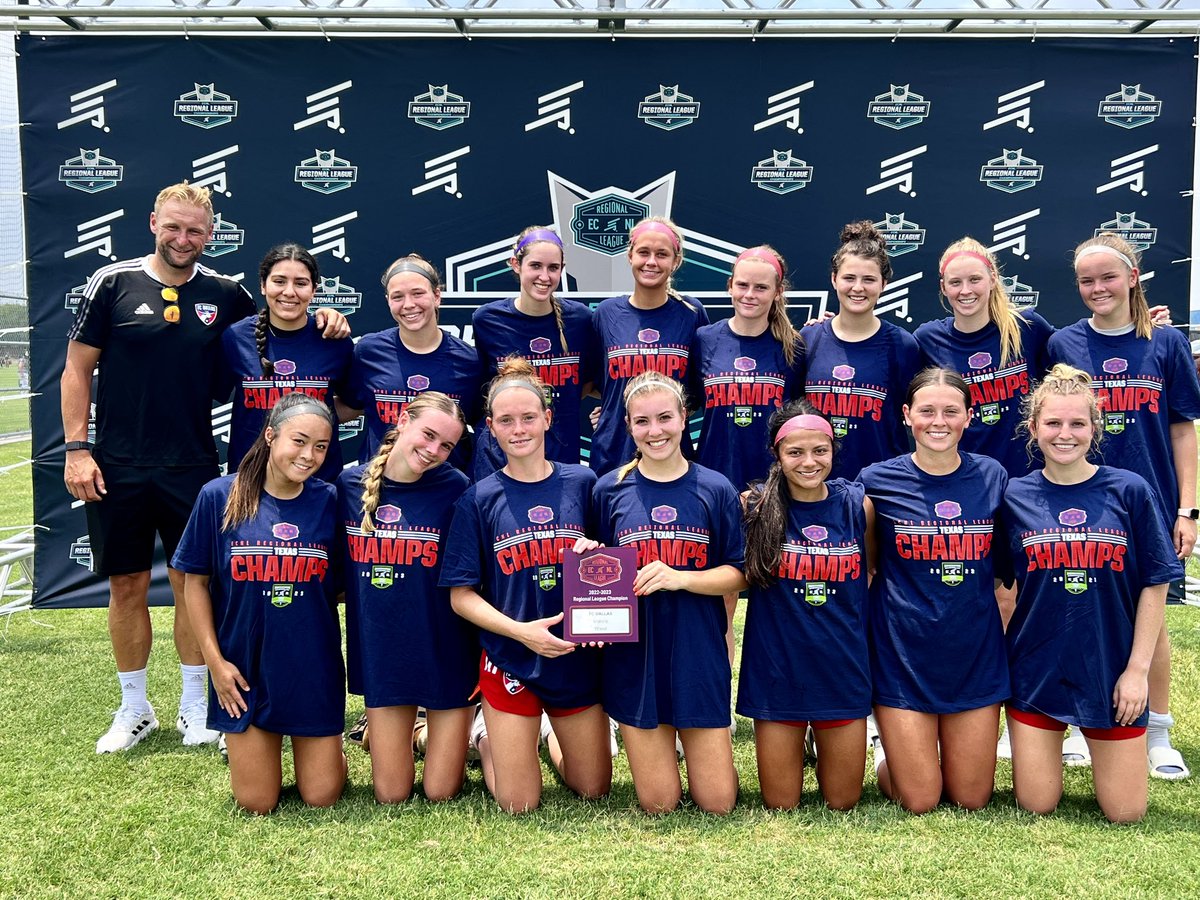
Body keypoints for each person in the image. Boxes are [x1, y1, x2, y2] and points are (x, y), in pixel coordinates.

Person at [61, 181, 348, 754]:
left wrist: (330, 317)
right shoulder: (113, 282)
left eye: (195, 229)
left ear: (210, 234)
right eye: (173, 226)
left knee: (197, 583)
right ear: (153, 223)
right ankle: (134, 706)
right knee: (128, 583)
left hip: (194, 463)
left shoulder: (227, 294)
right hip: (116, 462)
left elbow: (280, 322)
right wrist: (76, 448)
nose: (183, 237)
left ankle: (196, 704)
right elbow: (75, 369)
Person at [1047, 232, 1200, 779]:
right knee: (1076, 611)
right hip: (1080, 502)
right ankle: (1077, 724)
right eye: (1086, 280)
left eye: (1108, 276)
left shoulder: (1167, 343)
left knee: (1149, 622)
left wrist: (1188, 509)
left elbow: (1183, 429)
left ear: (1133, 278)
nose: (1097, 288)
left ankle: (1157, 731)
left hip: (1152, 503)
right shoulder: (1062, 344)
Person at [1001, 365, 1179, 822]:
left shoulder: (1129, 490)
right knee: (1036, 805)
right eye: (1053, 423)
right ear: (1033, 428)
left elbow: (1155, 583)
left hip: (1111, 667)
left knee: (1125, 813)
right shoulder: (1014, 495)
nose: (1065, 434)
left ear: (1095, 428)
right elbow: (1001, 587)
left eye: (1078, 423)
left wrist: (1137, 672)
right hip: (1037, 671)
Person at [440, 358, 612, 813]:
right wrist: (521, 632)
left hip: (575, 657)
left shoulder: (583, 482)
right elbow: (461, 597)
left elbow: (611, 564)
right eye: (507, 420)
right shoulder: (477, 498)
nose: (519, 429)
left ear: (548, 419)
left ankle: (549, 732)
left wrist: (593, 554)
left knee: (593, 789)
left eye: (529, 417)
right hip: (511, 657)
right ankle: (489, 739)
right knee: (519, 804)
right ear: (491, 427)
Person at [173, 394, 346, 814]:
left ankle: (329, 750)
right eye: (299, 441)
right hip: (243, 672)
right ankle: (252, 746)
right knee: (256, 802)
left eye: (321, 446)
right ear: (270, 436)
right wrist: (215, 664)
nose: (309, 455)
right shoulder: (219, 496)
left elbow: (342, 584)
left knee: (320, 796)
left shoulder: (329, 500)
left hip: (311, 667)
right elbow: (194, 584)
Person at [594, 371, 747, 815]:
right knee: (660, 803)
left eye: (665, 418)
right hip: (635, 652)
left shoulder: (715, 487)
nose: (654, 430)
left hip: (696, 647)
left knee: (717, 803)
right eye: (642, 422)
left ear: (684, 418)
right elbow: (597, 565)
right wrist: (589, 555)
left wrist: (680, 577)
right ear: (628, 426)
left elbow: (737, 574)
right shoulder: (609, 489)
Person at [859, 367, 1009, 814]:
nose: (938, 421)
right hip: (903, 656)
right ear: (907, 416)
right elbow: (866, 563)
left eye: (950, 411)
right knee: (920, 798)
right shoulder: (877, 481)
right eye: (926, 411)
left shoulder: (992, 476)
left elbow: (1005, 571)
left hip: (974, 655)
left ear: (969, 417)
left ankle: (926, 753)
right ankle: (892, 753)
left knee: (971, 798)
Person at [339, 392, 475, 803]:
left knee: (441, 791)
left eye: (447, 445)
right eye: (428, 435)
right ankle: (403, 735)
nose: (434, 451)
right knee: (391, 794)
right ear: (402, 420)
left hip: (445, 652)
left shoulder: (456, 487)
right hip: (383, 654)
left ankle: (436, 734)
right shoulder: (348, 485)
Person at [737, 402, 873, 810]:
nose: (809, 462)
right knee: (781, 803)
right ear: (777, 455)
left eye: (820, 450)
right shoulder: (754, 507)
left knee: (843, 802)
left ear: (833, 450)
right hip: (778, 672)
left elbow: (873, 573)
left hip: (841, 669)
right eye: (795, 452)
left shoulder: (856, 505)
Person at [690, 243, 806, 674]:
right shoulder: (705, 338)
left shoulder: (795, 347)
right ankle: (713, 707)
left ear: (777, 292)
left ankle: (799, 705)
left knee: (785, 600)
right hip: (716, 486)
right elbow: (685, 403)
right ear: (730, 286)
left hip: (775, 488)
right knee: (718, 605)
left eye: (762, 287)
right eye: (743, 285)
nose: (750, 294)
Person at [914, 238, 1054, 479]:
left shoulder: (1027, 327)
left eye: (975, 279)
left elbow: (1079, 347)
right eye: (955, 282)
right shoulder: (927, 340)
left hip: (1029, 480)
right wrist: (827, 331)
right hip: (965, 482)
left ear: (993, 278)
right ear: (943, 287)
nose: (965, 290)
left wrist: (1134, 323)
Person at [472, 226, 597, 479]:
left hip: (561, 458)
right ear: (516, 264)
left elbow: (588, 383)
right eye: (535, 266)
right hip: (500, 460)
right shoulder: (488, 320)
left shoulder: (580, 320)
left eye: (553, 268)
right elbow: (482, 390)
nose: (545, 276)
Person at [222, 244, 354, 483]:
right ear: (263, 285)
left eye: (301, 283)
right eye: (279, 281)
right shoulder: (235, 338)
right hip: (250, 479)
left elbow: (355, 402)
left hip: (317, 482)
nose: (289, 292)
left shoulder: (334, 340)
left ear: (314, 289)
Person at [801, 221, 921, 480]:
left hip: (882, 488)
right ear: (834, 279)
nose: (858, 288)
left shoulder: (903, 345)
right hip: (815, 486)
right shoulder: (808, 338)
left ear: (884, 284)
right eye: (849, 278)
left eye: (869, 279)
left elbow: (918, 418)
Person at [589, 218, 708, 476]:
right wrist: (612, 412)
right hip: (613, 452)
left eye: (662, 254)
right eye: (643, 252)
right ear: (630, 256)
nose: (651, 262)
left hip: (672, 451)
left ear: (675, 261)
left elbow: (699, 388)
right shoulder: (606, 313)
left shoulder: (691, 313)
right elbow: (600, 383)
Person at [349, 254, 482, 474]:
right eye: (397, 297)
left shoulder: (470, 361)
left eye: (418, 293)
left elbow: (484, 426)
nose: (409, 305)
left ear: (437, 296)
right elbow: (348, 406)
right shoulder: (368, 352)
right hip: (376, 489)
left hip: (445, 493)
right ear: (388, 301)